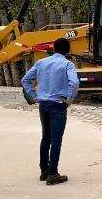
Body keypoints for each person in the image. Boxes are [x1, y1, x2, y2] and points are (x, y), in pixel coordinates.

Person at [21, 38, 80, 186]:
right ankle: (53, 174)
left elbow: (25, 80)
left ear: (53, 48)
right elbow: (74, 82)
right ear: (68, 50)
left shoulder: (41, 63)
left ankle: (44, 171)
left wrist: (34, 96)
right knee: (56, 140)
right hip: (58, 104)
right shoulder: (68, 64)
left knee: (45, 138)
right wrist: (70, 99)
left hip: (43, 104)